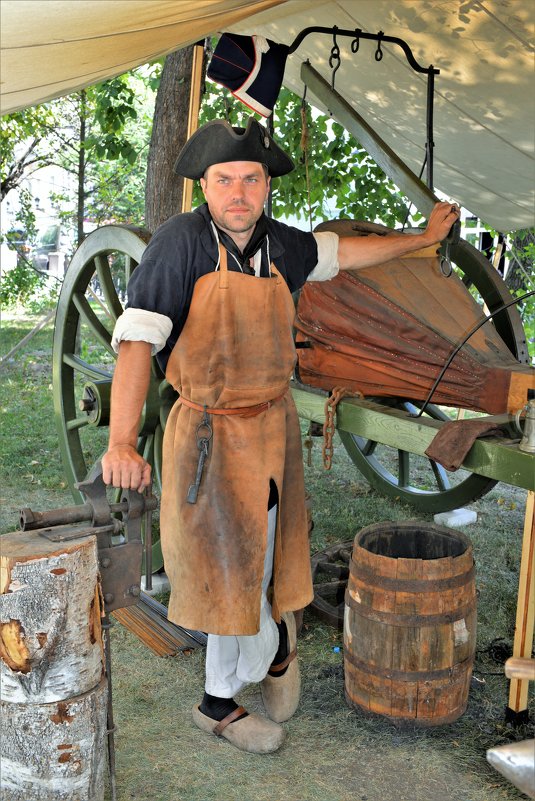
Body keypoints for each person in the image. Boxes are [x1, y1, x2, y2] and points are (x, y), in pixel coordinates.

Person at [102, 117, 460, 754]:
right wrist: (122, 441)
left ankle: (274, 649)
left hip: (270, 430)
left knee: (267, 553)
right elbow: (136, 344)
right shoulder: (179, 243)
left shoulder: (280, 245)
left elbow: (344, 254)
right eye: (224, 180)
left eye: (250, 179)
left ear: (265, 186)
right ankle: (217, 704)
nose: (238, 192)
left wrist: (420, 238)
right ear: (204, 188)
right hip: (208, 435)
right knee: (221, 564)